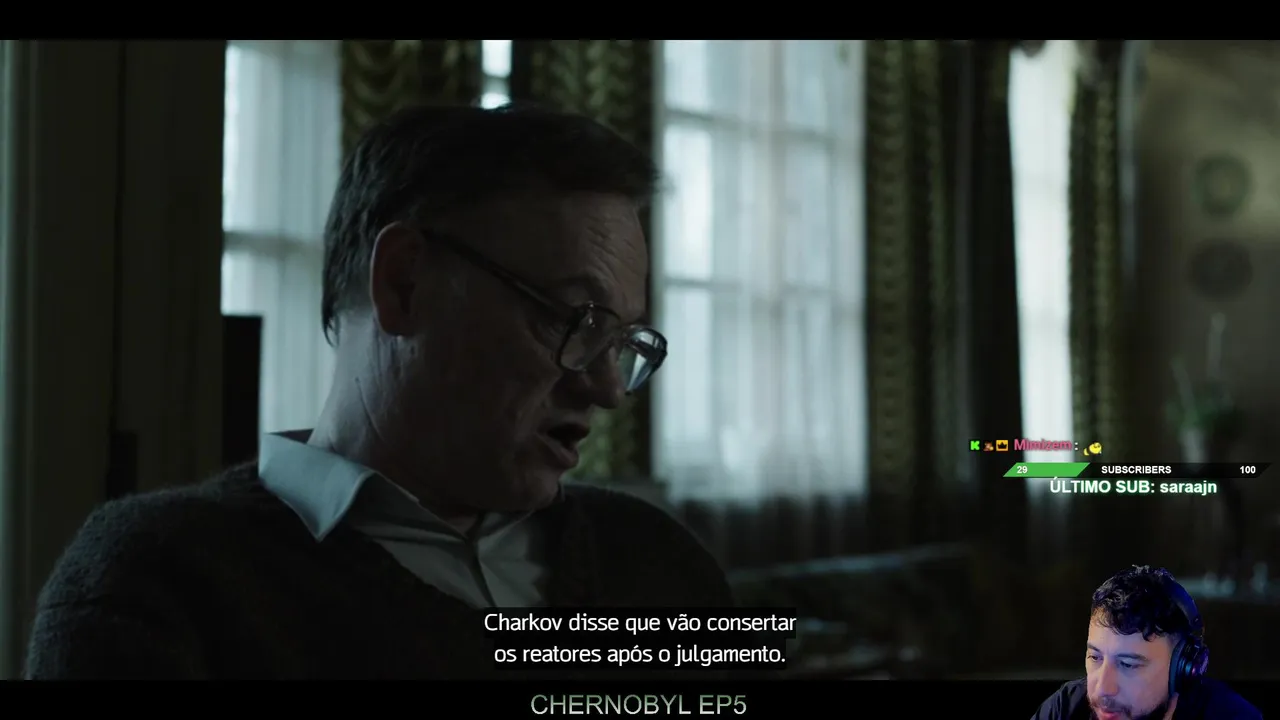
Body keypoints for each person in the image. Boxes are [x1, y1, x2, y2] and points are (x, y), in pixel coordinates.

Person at [25, 104, 735, 678]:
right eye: (574, 320)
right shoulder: (157, 581)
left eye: (621, 342)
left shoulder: (657, 562)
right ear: (405, 283)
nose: (607, 389)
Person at [1032, 565, 1260, 720]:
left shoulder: (1231, 715)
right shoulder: (1066, 707)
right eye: (1095, 657)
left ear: (1183, 670)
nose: (1102, 689)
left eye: (1128, 664)